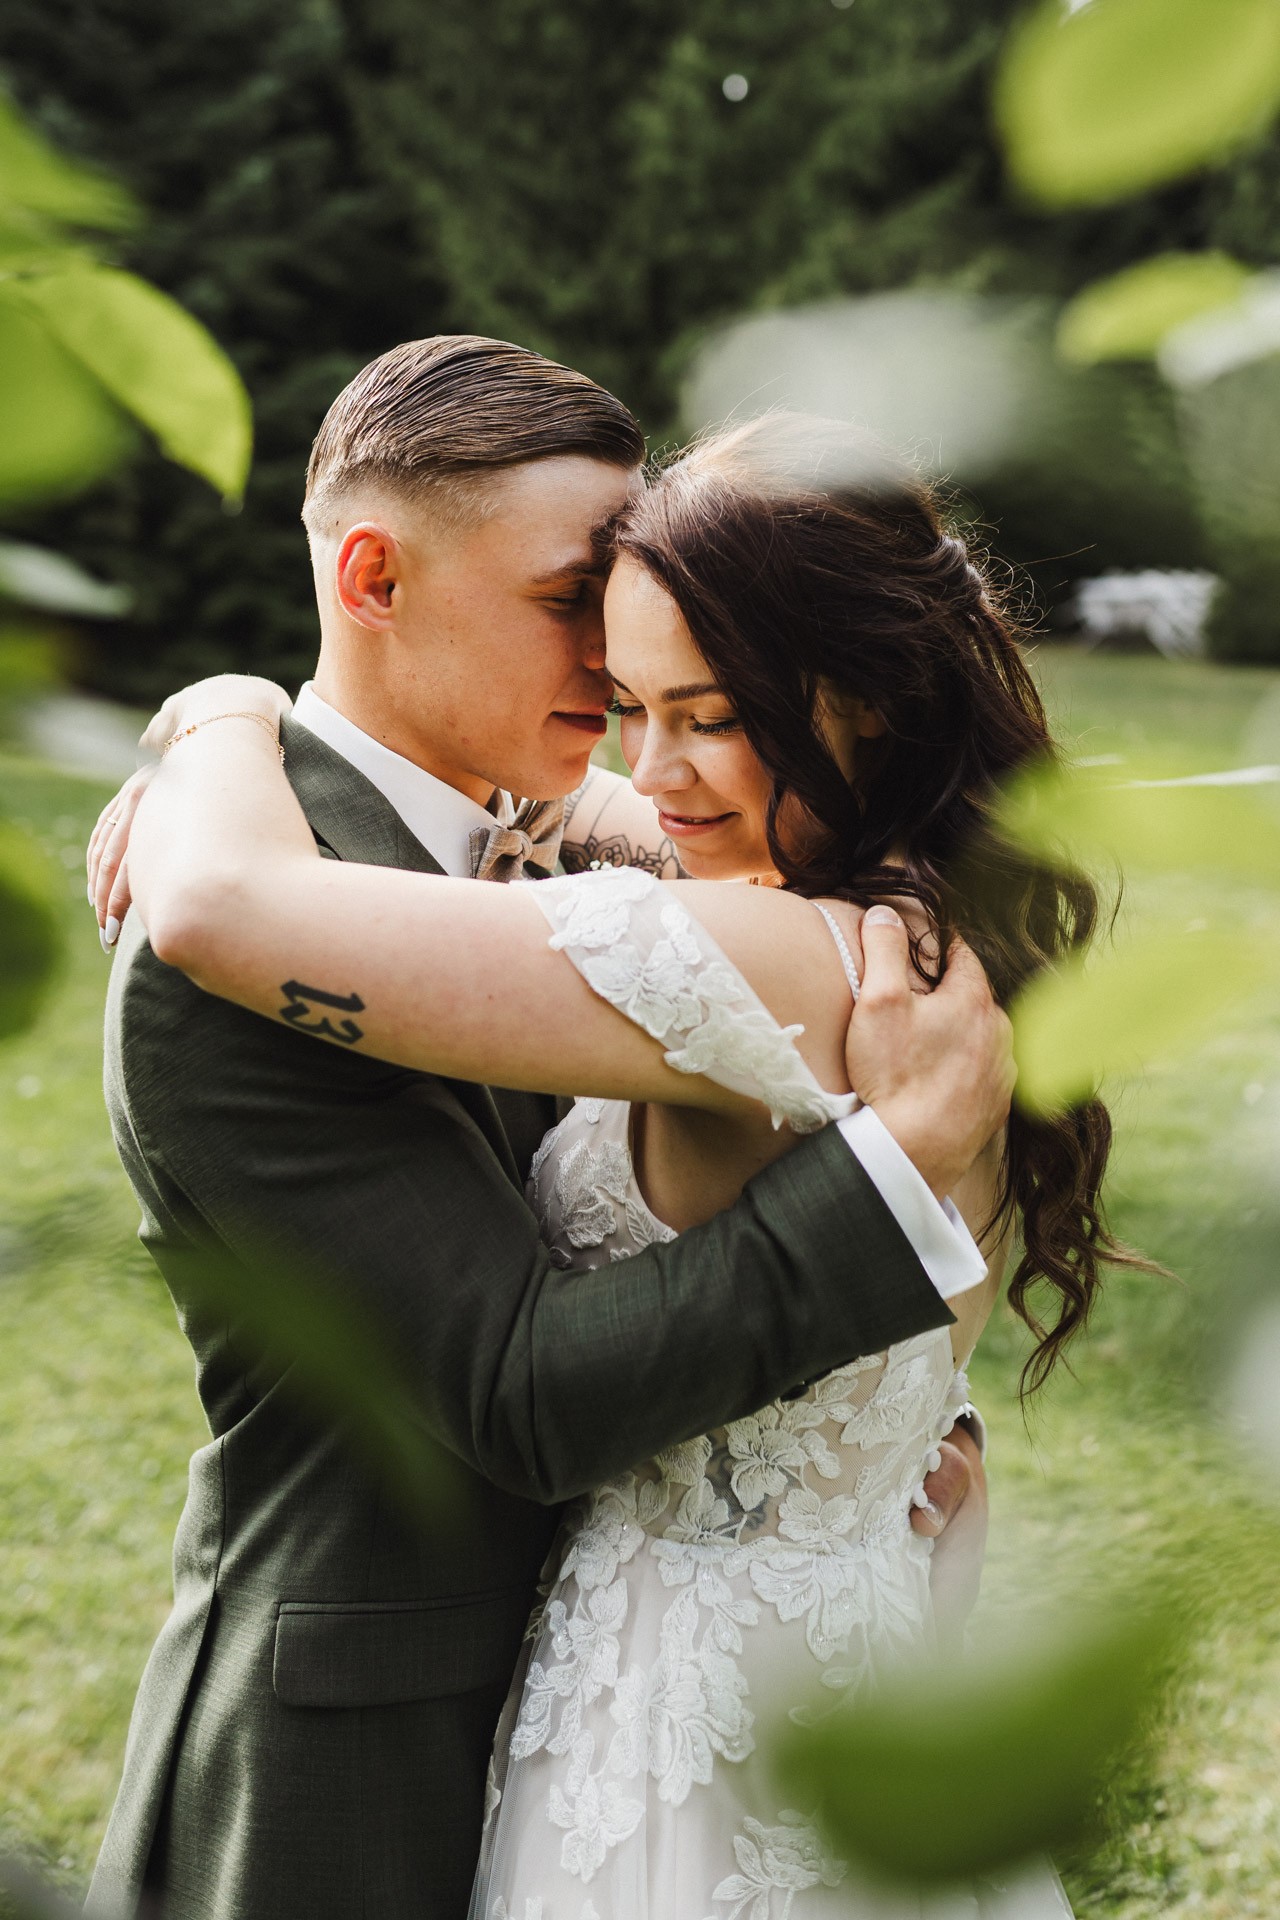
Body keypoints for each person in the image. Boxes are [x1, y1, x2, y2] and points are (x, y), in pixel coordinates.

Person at [85, 342, 1010, 1920]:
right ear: (371, 573)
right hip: (366, 1752)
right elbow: (518, 1387)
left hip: (655, 1718)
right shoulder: (226, 953)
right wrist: (889, 1205)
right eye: (567, 601)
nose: (612, 660)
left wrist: (893, 1432)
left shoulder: (642, 858)